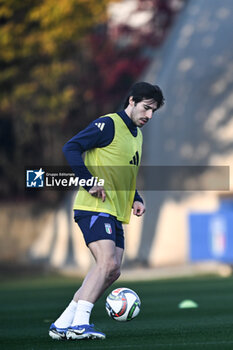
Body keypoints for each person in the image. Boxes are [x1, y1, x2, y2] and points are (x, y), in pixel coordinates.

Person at [49, 82, 165, 340]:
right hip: (93, 208)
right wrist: (88, 181)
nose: (149, 116)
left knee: (112, 271)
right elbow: (71, 147)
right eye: (146, 108)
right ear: (132, 101)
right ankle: (80, 324)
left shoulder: (137, 135)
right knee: (107, 262)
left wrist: (135, 197)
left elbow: (125, 172)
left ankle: (62, 323)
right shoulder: (109, 124)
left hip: (114, 211)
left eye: (153, 111)